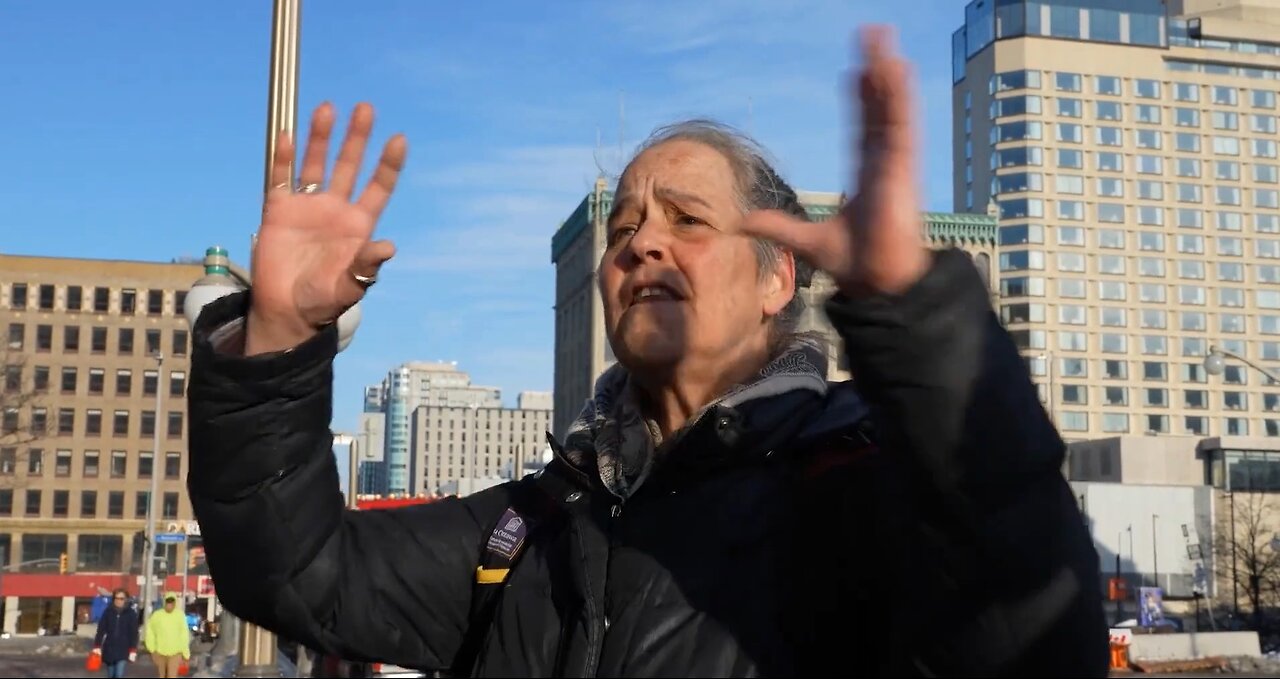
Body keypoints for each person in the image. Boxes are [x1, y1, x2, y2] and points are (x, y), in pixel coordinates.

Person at [187, 27, 1109, 677]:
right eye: (623, 225)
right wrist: (277, 340)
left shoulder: (862, 479)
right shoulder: (540, 518)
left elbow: (1029, 626)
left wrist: (921, 325)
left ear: (775, 279)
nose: (640, 242)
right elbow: (292, 572)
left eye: (688, 219)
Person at [93, 588, 139, 678]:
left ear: (126, 599)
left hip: (123, 649)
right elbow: (101, 630)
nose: (118, 601)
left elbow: (134, 633)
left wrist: (133, 649)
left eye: (121, 598)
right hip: (109, 648)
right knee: (111, 675)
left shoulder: (131, 614)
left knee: (118, 674)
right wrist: (97, 646)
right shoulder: (108, 612)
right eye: (116, 598)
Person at [144, 593, 191, 678]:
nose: (170, 604)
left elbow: (184, 635)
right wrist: (152, 650)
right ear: (164, 602)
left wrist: (186, 655)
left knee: (171, 676)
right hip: (159, 653)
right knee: (161, 676)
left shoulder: (179, 615)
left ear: (175, 603)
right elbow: (150, 633)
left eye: (172, 602)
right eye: (168, 601)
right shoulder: (157, 615)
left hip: (175, 654)